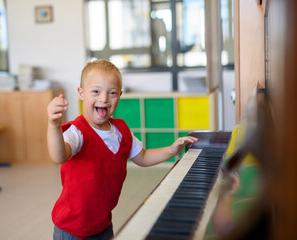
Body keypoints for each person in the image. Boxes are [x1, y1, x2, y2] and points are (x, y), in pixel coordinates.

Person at [47, 59, 199, 240]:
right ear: (81, 93)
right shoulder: (77, 132)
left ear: (119, 95)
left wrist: (171, 150)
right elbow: (59, 156)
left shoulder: (121, 130)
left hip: (103, 223)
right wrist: (53, 125)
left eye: (112, 93)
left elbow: (142, 156)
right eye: (95, 91)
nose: (103, 99)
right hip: (72, 229)